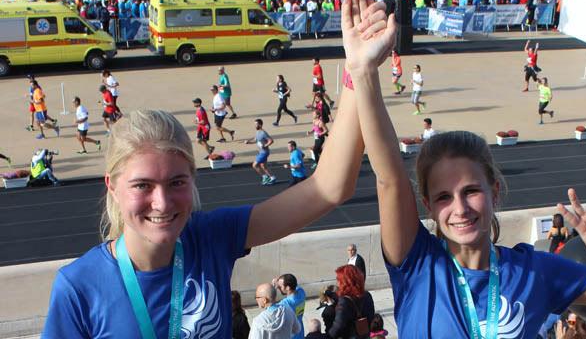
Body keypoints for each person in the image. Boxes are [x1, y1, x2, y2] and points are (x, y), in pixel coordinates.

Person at [339, 0, 586, 337]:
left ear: (494, 190)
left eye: (471, 190)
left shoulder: (535, 271)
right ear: (427, 205)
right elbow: (390, 178)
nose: (459, 208)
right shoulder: (417, 262)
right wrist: (363, 71)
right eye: (443, 196)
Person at [43, 96, 367, 337]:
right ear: (112, 186)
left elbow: (330, 187)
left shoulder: (211, 237)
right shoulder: (79, 288)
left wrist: (357, 71)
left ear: (193, 180)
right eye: (142, 185)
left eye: (176, 182)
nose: (162, 202)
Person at [329, 264, 375, 338]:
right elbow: (371, 317)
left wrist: (327, 337)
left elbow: (338, 326)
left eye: (339, 280)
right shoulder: (367, 295)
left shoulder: (344, 301)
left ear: (345, 282)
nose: (337, 283)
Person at [245, 119, 277, 185]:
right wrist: (248, 142)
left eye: (256, 124)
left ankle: (265, 177)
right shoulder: (257, 132)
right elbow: (255, 140)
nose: (255, 125)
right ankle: (272, 178)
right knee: (263, 166)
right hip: (261, 152)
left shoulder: (263, 133)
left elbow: (271, 140)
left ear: (260, 124)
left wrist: (265, 145)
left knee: (254, 165)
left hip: (264, 152)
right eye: (254, 124)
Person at [275, 273, 307, 339]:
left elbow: (270, 308)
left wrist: (273, 288)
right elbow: (294, 284)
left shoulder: (286, 303)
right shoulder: (301, 292)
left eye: (280, 286)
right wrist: (280, 282)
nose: (279, 288)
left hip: (291, 334)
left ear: (287, 287)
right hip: (300, 331)